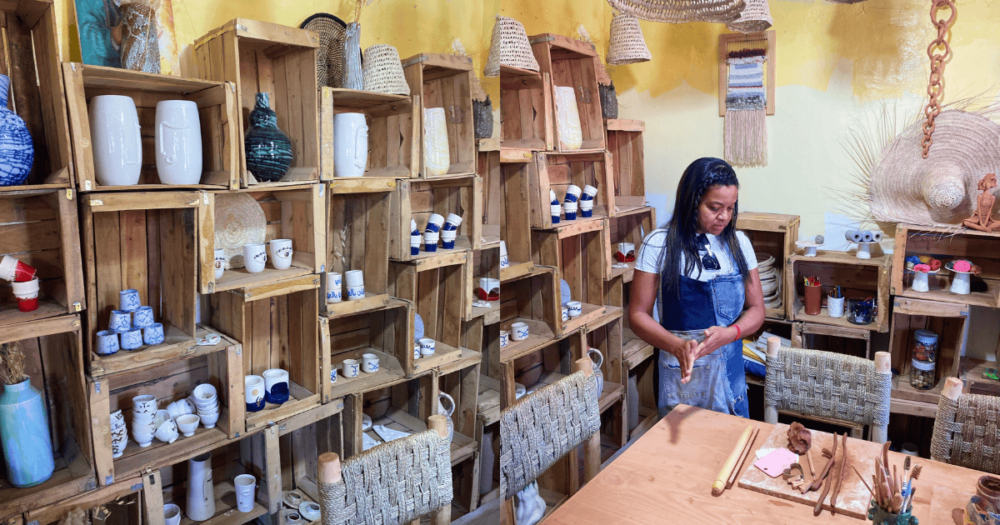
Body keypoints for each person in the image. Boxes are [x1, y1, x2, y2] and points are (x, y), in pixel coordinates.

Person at [628, 157, 764, 418]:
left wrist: (731, 333)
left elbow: (757, 309)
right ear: (692, 202)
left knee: (731, 445)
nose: (724, 216)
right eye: (714, 208)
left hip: (730, 372)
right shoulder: (658, 244)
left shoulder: (739, 243)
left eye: (731, 207)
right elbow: (637, 315)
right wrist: (676, 345)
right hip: (683, 376)